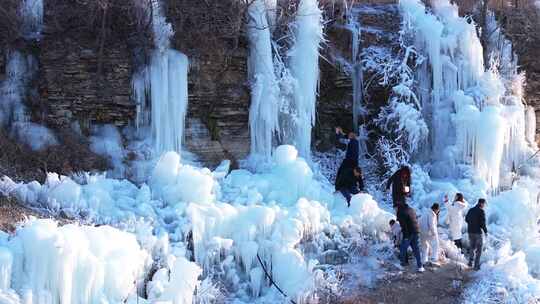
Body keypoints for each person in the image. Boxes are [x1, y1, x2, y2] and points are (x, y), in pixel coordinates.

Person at [397, 202, 424, 272]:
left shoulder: (400, 212)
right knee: (416, 249)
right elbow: (415, 220)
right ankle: (420, 266)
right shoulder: (411, 209)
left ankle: (403, 264)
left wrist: (405, 236)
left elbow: (403, 225)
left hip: (409, 233)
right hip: (416, 231)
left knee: (402, 248)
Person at [465, 199, 488, 271]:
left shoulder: (471, 210)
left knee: (472, 247)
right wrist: (485, 231)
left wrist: (472, 224)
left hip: (470, 231)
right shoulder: (481, 211)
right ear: (482, 203)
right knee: (479, 249)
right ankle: (476, 266)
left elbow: (466, 219)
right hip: (478, 232)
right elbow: (482, 223)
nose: (484, 206)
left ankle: (470, 263)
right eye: (484, 204)